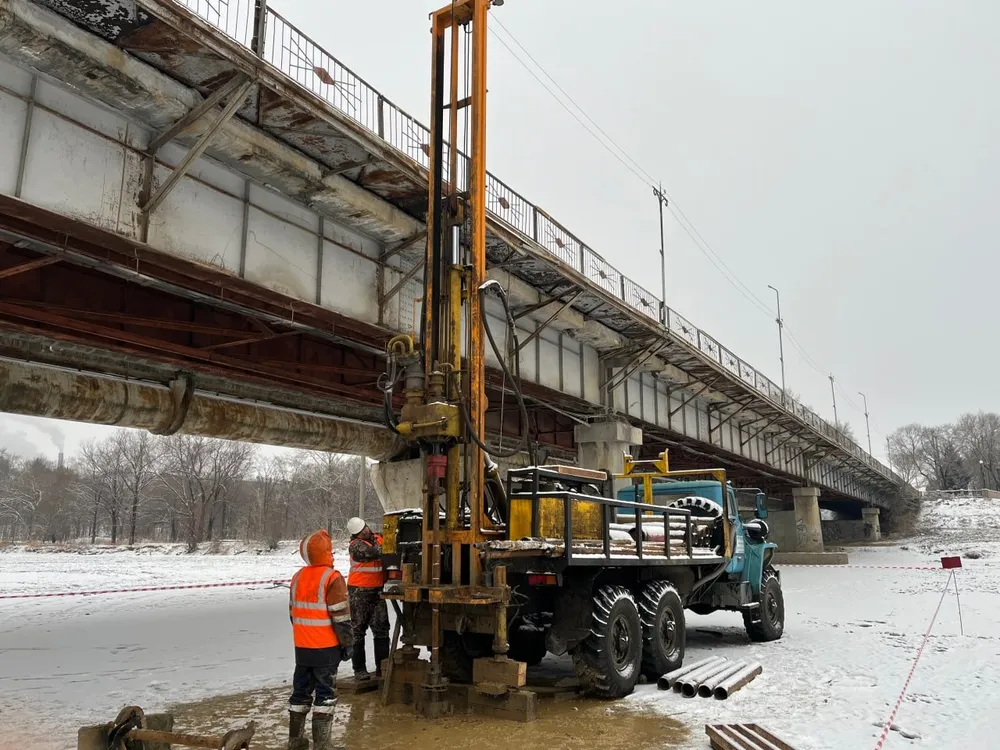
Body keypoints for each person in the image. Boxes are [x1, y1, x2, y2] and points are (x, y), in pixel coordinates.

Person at [288, 529, 353, 750]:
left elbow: (292, 614)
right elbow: (341, 618)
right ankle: (322, 746)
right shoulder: (332, 578)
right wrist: (347, 644)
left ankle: (295, 741)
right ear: (324, 553)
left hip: (302, 649)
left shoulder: (297, 577)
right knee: (325, 696)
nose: (333, 555)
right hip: (326, 649)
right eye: (331, 551)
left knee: (300, 693)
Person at [346, 516, 390, 681]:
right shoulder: (356, 547)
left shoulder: (377, 538)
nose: (365, 531)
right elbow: (374, 553)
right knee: (358, 631)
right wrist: (389, 543)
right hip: (359, 592)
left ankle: (382, 668)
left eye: (365, 528)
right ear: (356, 535)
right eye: (361, 531)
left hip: (377, 591)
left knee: (381, 629)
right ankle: (359, 669)